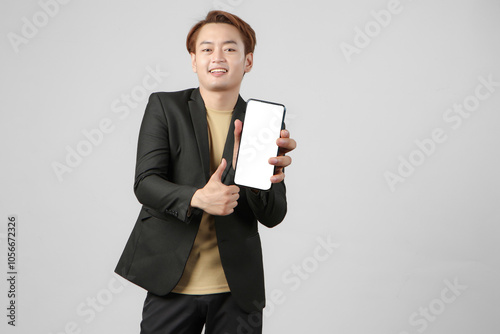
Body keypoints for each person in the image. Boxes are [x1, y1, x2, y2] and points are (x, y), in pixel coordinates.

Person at [115, 10, 296, 334]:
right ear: (193, 59)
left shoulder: (264, 123)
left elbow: (274, 215)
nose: (218, 57)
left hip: (238, 292)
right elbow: (146, 183)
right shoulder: (164, 107)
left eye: (230, 48)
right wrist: (198, 197)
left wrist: (257, 180)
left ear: (248, 60)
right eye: (207, 48)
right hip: (170, 282)